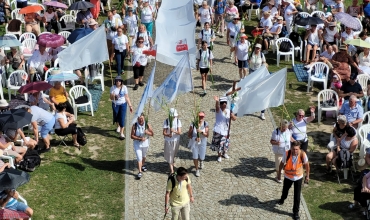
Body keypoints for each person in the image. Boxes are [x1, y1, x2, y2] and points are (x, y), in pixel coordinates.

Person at [277, 141, 310, 220]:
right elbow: (282, 163)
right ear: (291, 148)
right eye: (293, 149)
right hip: (288, 177)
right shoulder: (287, 153)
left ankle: (295, 212)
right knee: (285, 191)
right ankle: (282, 198)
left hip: (298, 177)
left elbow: (307, 165)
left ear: (299, 149)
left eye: (296, 149)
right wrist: (279, 174)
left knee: (297, 195)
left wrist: (307, 176)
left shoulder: (302, 154)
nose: (295, 151)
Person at [211, 96, 237, 162]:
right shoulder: (218, 110)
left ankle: (224, 153)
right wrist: (217, 101)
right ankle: (219, 155)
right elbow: (216, 107)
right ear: (220, 104)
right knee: (219, 143)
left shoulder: (228, 111)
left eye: (225, 103)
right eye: (222, 103)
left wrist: (232, 116)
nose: (224, 105)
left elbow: (234, 119)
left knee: (225, 143)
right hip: (218, 130)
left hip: (226, 130)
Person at [130, 113, 154, 179]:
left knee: (144, 156)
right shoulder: (135, 125)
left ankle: (142, 165)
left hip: (145, 144)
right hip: (137, 144)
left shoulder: (147, 124)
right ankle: (140, 172)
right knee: (139, 157)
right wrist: (140, 138)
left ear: (144, 118)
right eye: (139, 119)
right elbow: (132, 136)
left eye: (142, 119)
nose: (141, 120)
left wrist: (147, 132)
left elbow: (152, 134)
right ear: (137, 119)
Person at [110, 76, 133, 140]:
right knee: (116, 116)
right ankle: (118, 126)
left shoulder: (124, 87)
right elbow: (111, 98)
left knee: (122, 118)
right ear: (115, 81)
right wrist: (113, 95)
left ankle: (121, 133)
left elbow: (127, 97)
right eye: (117, 81)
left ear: (121, 81)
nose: (118, 82)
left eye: (119, 81)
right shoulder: (112, 88)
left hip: (123, 104)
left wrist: (130, 105)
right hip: (115, 104)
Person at [187, 111, 209, 177]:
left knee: (202, 156)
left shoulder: (205, 124)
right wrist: (194, 138)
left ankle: (201, 161)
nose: (201, 118)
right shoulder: (193, 124)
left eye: (202, 116)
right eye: (200, 116)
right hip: (195, 143)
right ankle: (197, 170)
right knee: (195, 156)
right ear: (197, 117)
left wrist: (201, 132)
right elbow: (189, 135)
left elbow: (207, 135)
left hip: (203, 142)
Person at [163, 108, 182, 174]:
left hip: (176, 140)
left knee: (174, 153)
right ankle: (172, 170)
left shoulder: (178, 121)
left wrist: (174, 131)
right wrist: (168, 135)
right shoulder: (166, 121)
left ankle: (171, 162)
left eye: (174, 116)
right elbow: (164, 133)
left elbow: (179, 132)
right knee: (170, 154)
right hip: (168, 141)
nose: (174, 117)